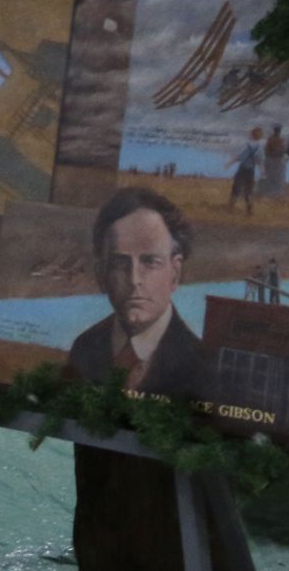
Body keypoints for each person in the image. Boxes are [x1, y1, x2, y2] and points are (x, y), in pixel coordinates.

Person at [64, 187, 205, 399]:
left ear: (175, 273)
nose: (134, 279)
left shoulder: (202, 365)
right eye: (120, 263)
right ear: (101, 275)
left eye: (150, 262)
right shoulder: (84, 348)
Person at [228, 128, 263, 215]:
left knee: (236, 187)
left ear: (251, 135)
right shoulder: (260, 147)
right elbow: (260, 160)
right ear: (260, 137)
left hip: (243, 168)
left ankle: (231, 207)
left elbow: (240, 156)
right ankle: (249, 209)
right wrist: (262, 171)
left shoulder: (247, 145)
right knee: (249, 189)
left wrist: (230, 163)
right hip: (251, 169)